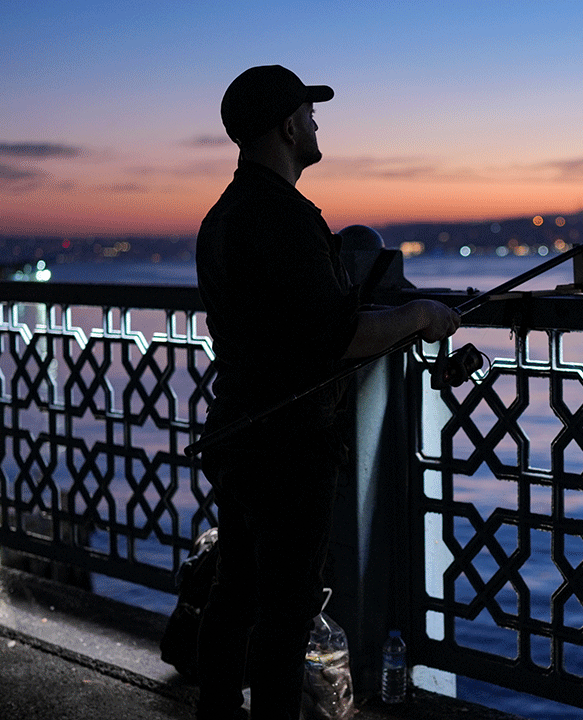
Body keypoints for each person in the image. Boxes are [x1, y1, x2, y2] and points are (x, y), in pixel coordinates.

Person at [194, 65, 460, 720]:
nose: (317, 125)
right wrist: (420, 314)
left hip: (236, 429)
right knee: (285, 613)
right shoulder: (285, 219)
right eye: (310, 115)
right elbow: (334, 337)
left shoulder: (222, 217)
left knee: (235, 592)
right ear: (289, 127)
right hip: (288, 445)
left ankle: (216, 709)